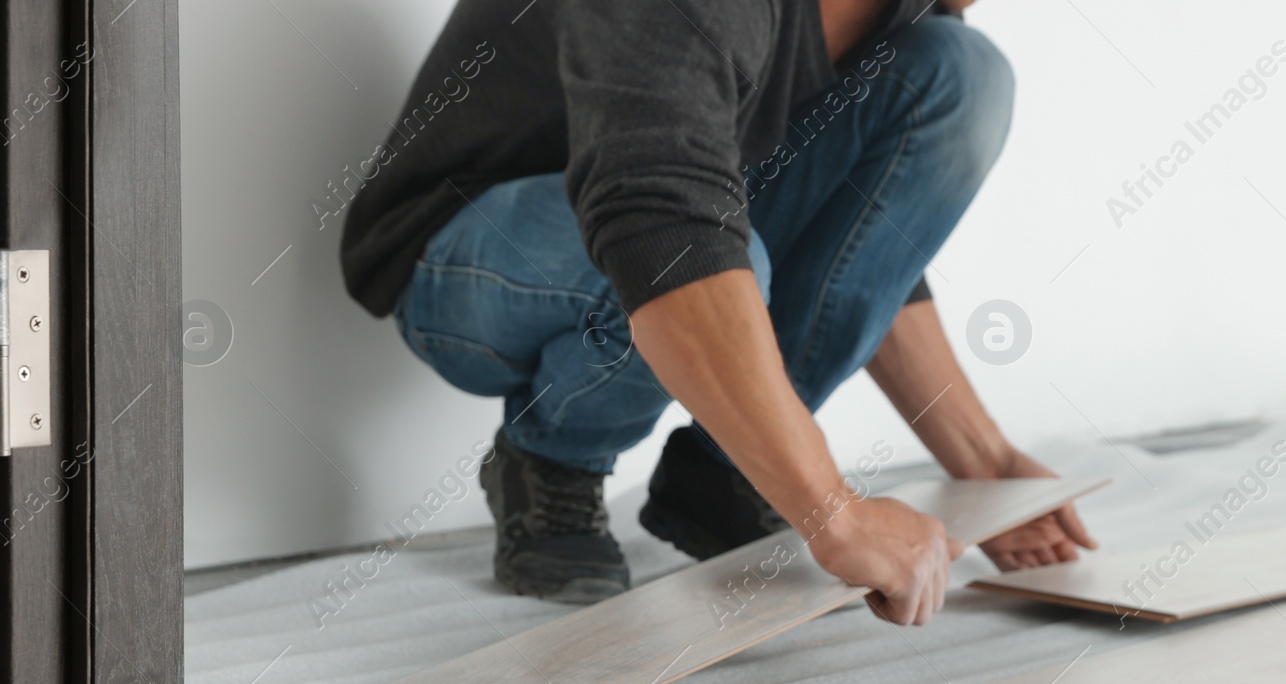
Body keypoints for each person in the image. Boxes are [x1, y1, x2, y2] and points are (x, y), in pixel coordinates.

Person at [340, 0, 1095, 623]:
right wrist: (831, 508)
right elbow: (659, 232)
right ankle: (551, 464)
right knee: (698, 256)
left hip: (658, 222)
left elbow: (865, 247)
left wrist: (986, 464)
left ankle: (728, 473)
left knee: (960, 74)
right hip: (462, 260)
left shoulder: (902, 11)